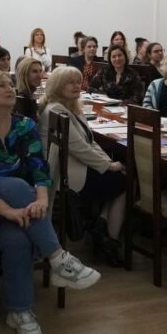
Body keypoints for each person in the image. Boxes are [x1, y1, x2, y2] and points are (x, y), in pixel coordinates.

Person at [0, 71, 100, 334]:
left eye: (11, 85)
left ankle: (20, 311)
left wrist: (42, 200)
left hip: (24, 210)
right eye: (2, 85)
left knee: (16, 238)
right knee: (10, 184)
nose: (10, 89)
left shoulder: (24, 126)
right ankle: (58, 257)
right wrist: (9, 210)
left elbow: (39, 165)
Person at [39, 67, 126, 266]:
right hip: (67, 175)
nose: (76, 86)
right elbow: (79, 148)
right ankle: (109, 240)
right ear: (58, 85)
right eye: (70, 82)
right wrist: (108, 165)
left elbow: (90, 140)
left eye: (78, 82)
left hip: (75, 166)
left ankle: (101, 225)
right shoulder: (56, 110)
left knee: (121, 174)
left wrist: (108, 162)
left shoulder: (71, 107)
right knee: (125, 183)